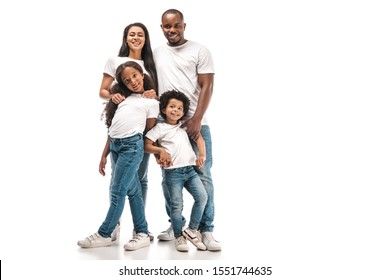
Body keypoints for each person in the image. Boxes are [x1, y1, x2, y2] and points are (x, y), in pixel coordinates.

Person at [153, 9, 221, 251]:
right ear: (161, 27)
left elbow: (207, 85)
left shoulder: (199, 50)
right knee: (169, 177)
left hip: (195, 124)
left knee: (203, 177)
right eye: (167, 26)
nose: (172, 30)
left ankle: (206, 230)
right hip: (167, 126)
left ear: (184, 25)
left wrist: (196, 119)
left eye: (176, 26)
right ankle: (177, 226)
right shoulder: (157, 53)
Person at [77, 61, 159, 250]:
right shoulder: (123, 99)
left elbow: (148, 131)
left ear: (142, 74)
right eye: (127, 80)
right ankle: (142, 232)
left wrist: (154, 151)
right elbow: (113, 128)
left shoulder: (151, 102)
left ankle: (105, 233)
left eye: (135, 76)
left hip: (131, 147)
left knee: (117, 191)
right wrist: (104, 154)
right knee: (133, 191)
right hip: (115, 146)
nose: (133, 81)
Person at [98, 22, 158, 241]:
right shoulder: (115, 61)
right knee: (119, 178)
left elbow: (153, 92)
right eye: (131, 34)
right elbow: (103, 90)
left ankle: (139, 229)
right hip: (121, 124)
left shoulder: (151, 63)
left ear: (146, 38)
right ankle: (115, 225)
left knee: (140, 177)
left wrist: (154, 95)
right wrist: (112, 96)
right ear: (125, 38)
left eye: (140, 34)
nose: (135, 38)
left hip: (143, 125)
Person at [144, 90, 207, 252]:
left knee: (202, 197)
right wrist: (160, 151)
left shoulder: (184, 125)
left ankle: (191, 230)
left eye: (180, 108)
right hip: (173, 173)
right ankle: (179, 236)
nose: (176, 110)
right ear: (164, 109)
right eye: (172, 106)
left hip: (190, 171)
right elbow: (146, 144)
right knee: (176, 205)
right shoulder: (160, 128)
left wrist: (202, 155)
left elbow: (198, 137)